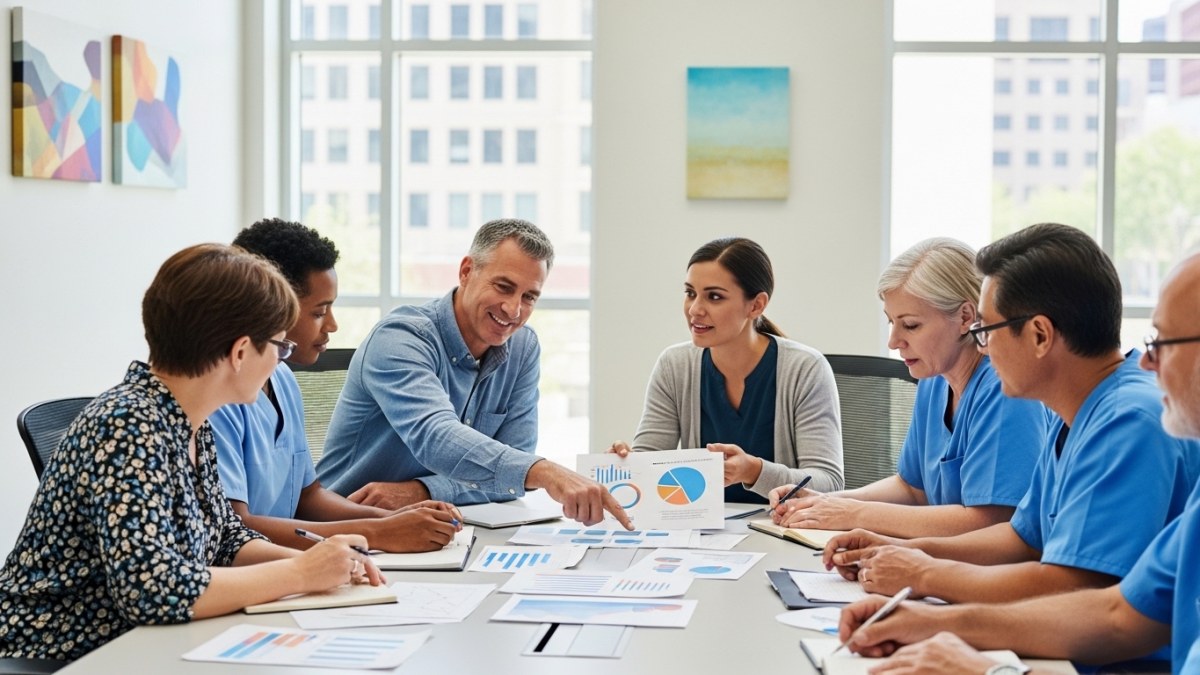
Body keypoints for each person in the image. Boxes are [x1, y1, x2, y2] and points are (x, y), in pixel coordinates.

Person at [0, 244, 380, 662]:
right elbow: (155, 590)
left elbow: (225, 539)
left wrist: (328, 567)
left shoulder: (191, 421)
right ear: (239, 352)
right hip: (61, 654)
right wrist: (301, 572)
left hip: (146, 643)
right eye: (278, 347)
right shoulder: (127, 425)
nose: (280, 361)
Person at [836, 250, 1200, 675]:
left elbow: (1078, 584)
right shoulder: (1076, 413)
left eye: (986, 331)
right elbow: (1105, 603)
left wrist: (931, 580)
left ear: (1040, 336)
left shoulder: (1129, 419)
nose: (1149, 363)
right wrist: (927, 597)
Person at [316, 219, 631, 527]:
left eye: (529, 297)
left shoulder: (522, 348)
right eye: (503, 287)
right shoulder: (400, 338)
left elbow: (511, 473)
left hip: (447, 527)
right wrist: (545, 472)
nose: (513, 310)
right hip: (347, 525)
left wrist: (422, 491)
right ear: (466, 271)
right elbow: (436, 437)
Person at [766, 238, 1048, 538]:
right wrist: (824, 501)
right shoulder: (933, 379)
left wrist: (853, 513)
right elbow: (912, 488)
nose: (893, 341)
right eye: (891, 323)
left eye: (911, 325)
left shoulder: (1006, 388)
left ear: (965, 317)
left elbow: (992, 521)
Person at [210, 219, 461, 553]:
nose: (332, 325)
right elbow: (234, 528)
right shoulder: (218, 398)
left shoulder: (282, 378)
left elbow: (308, 497)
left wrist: (396, 519)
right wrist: (378, 532)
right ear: (271, 304)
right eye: (319, 312)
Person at [611, 237, 843, 501]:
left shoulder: (805, 369)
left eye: (714, 297)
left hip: (780, 530)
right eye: (690, 293)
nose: (695, 309)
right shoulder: (674, 366)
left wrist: (754, 471)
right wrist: (626, 467)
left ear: (756, 305)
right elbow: (649, 464)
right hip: (699, 534)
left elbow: (829, 484)